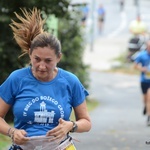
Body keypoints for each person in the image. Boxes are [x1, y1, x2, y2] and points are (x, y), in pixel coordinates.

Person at [0, 8, 91, 150]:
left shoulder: (70, 81)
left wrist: (71, 125)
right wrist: (12, 132)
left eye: (48, 61)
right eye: (37, 59)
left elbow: (86, 122)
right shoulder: (17, 79)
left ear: (58, 58)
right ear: (30, 54)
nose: (41, 66)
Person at [133, 40, 150, 126]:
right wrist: (142, 69)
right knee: (145, 98)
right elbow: (135, 65)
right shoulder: (142, 55)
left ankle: (148, 117)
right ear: (147, 47)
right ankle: (145, 106)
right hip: (144, 80)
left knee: (149, 96)